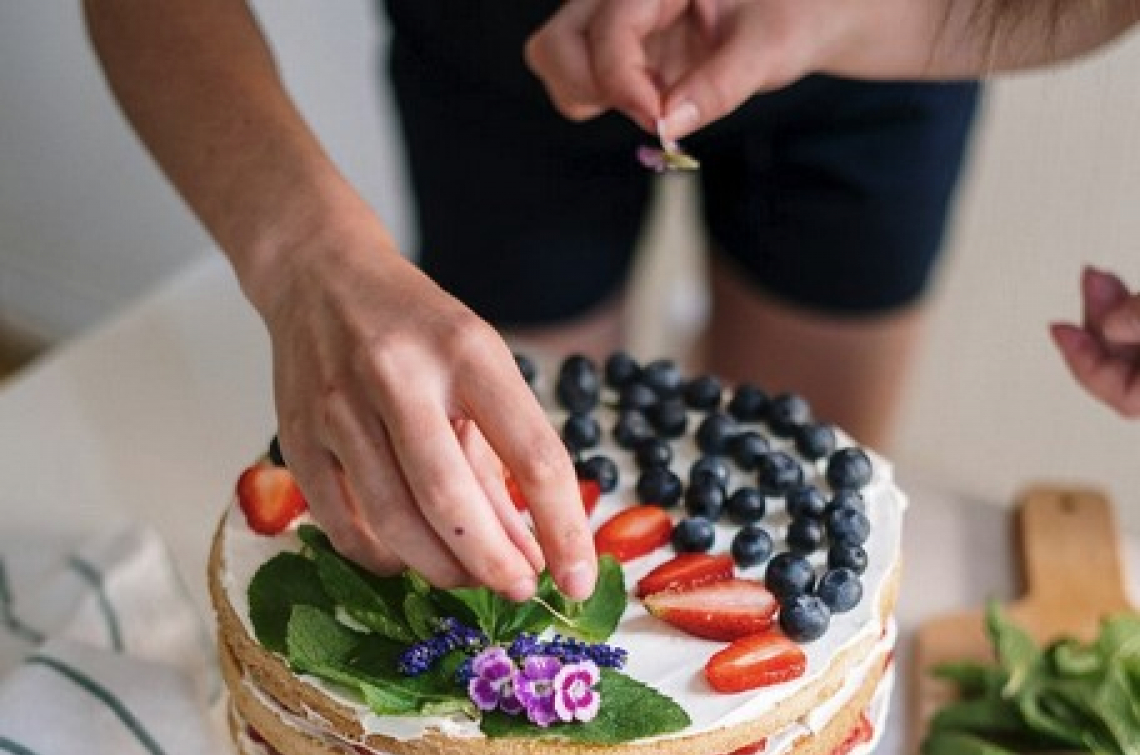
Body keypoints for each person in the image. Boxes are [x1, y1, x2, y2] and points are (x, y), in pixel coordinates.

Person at [83, 0, 1140, 606]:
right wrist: (308, 256)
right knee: (511, 543)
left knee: (808, 530)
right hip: (493, 54)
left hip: (889, 53)